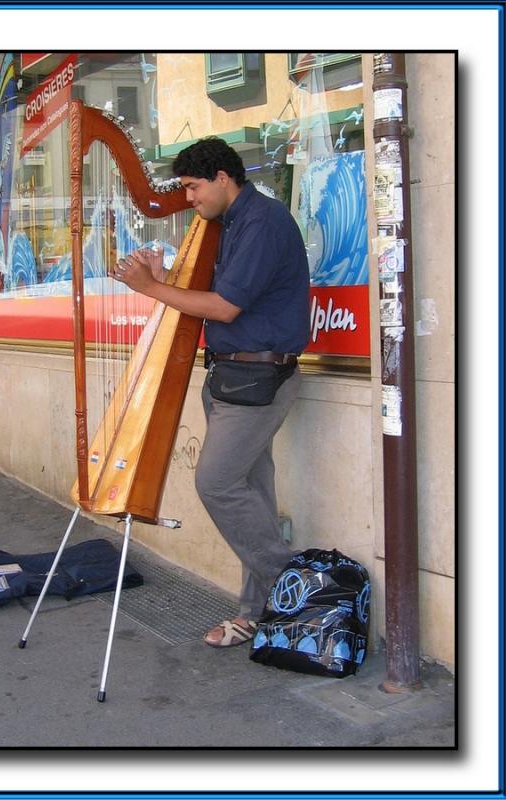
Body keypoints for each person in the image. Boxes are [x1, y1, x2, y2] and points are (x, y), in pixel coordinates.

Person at [113, 137, 310, 648]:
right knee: (257, 496)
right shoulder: (229, 224)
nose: (189, 198)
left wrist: (151, 288)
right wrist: (164, 278)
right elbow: (211, 298)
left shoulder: (262, 223)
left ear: (223, 178)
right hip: (231, 377)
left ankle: (296, 583)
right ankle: (257, 610)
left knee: (217, 483)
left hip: (259, 379)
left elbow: (224, 308)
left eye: (193, 187)